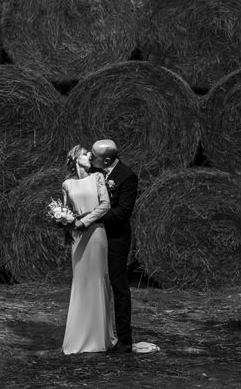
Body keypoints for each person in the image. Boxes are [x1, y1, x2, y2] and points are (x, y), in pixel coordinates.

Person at [61, 144, 117, 355]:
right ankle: (78, 336)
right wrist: (62, 223)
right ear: (75, 157)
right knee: (81, 284)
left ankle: (99, 337)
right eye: (85, 154)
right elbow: (66, 212)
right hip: (77, 239)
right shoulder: (67, 184)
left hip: (95, 234)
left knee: (98, 281)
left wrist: (84, 221)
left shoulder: (98, 178)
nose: (89, 156)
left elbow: (105, 205)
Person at [90, 139, 138, 354]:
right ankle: (96, 334)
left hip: (115, 238)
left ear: (107, 159)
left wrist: (92, 216)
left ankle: (125, 340)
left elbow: (123, 213)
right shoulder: (93, 171)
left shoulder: (126, 176)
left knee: (118, 287)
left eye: (94, 155)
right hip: (94, 237)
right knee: (94, 285)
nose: (90, 158)